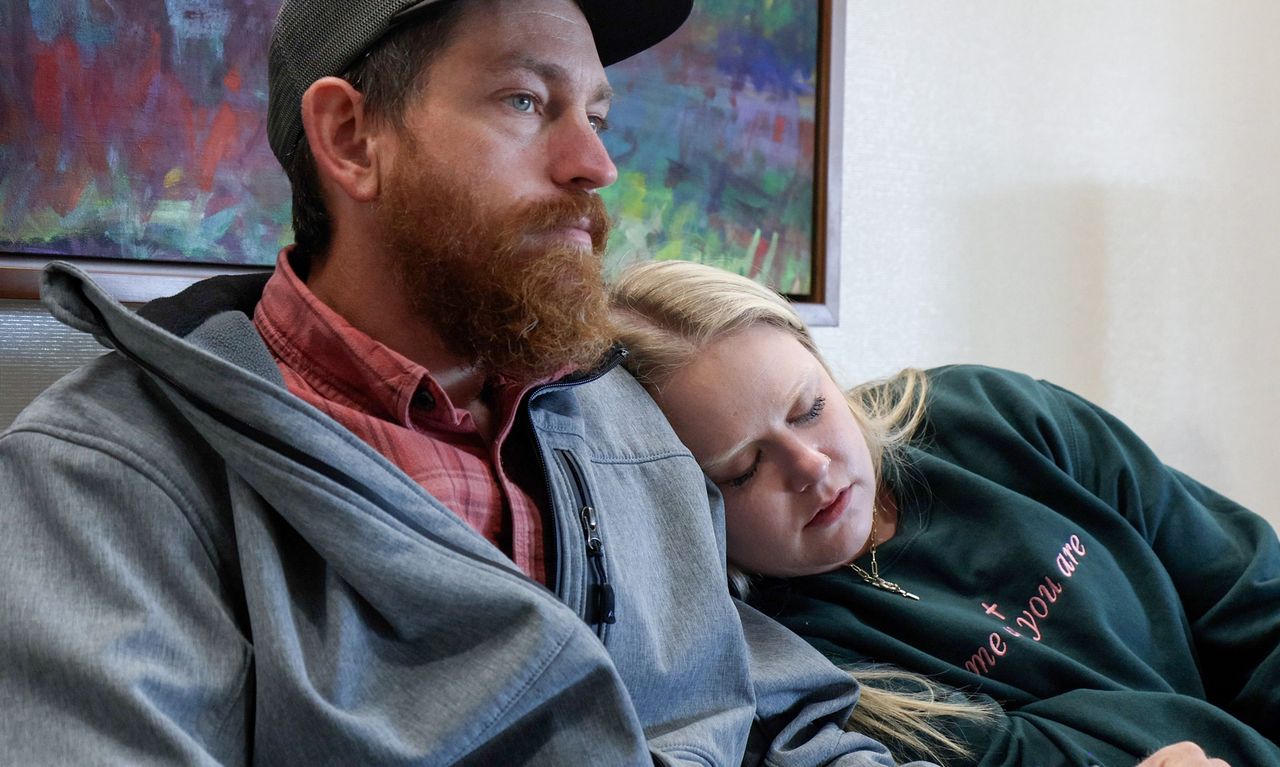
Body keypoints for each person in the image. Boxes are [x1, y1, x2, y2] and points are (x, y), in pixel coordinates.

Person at [0, 2, 936, 764]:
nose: (595, 165)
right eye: (527, 102)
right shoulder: (108, 479)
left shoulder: (622, 420)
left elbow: (779, 720)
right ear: (352, 137)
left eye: (597, 116)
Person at [609, 259, 1280, 767]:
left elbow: (1247, 591)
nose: (810, 466)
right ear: (687, 511)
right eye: (746, 467)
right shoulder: (795, 673)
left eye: (809, 407)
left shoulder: (990, 415)